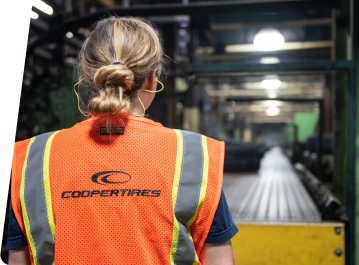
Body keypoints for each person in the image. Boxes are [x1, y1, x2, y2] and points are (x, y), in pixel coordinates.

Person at [9, 16, 237, 265]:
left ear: (88, 76)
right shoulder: (196, 157)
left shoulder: (33, 158)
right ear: (153, 78)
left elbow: (18, 259)